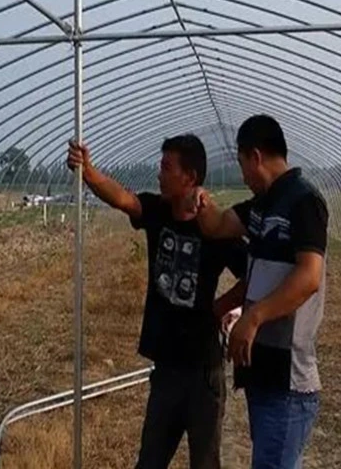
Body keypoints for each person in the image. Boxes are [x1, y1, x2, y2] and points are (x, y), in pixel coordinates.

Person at [67, 135, 247, 469]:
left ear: (189, 178)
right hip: (166, 368)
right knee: (150, 461)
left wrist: (224, 304)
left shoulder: (214, 228)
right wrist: (88, 172)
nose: (159, 174)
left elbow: (254, 274)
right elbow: (123, 199)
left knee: (205, 463)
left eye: (167, 167)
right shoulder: (158, 212)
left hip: (203, 372)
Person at [195, 115, 329, 469]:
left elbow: (309, 276)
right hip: (264, 371)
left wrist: (253, 317)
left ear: (255, 156)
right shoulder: (262, 206)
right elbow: (219, 225)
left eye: (241, 164)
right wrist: (200, 203)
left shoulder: (303, 201)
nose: (242, 176)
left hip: (289, 377)